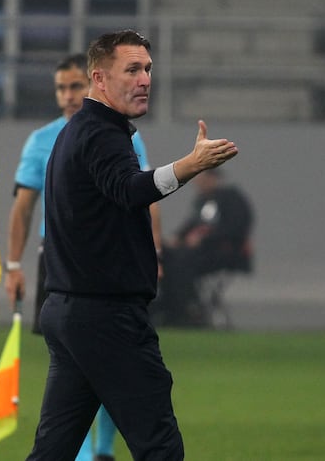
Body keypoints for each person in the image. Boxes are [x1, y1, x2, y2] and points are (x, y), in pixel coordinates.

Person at [26, 29, 237, 461]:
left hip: (70, 311)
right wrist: (189, 166)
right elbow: (129, 189)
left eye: (148, 69)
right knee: (159, 445)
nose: (144, 80)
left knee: (53, 451)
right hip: (105, 316)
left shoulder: (79, 131)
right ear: (99, 79)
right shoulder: (102, 134)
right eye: (132, 70)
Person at [153, 168, 253, 327]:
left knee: (181, 262)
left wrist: (205, 240)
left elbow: (236, 228)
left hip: (222, 254)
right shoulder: (202, 201)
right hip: (194, 253)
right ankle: (164, 307)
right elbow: (192, 224)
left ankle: (188, 310)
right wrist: (177, 238)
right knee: (163, 255)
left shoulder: (232, 198)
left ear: (213, 178)